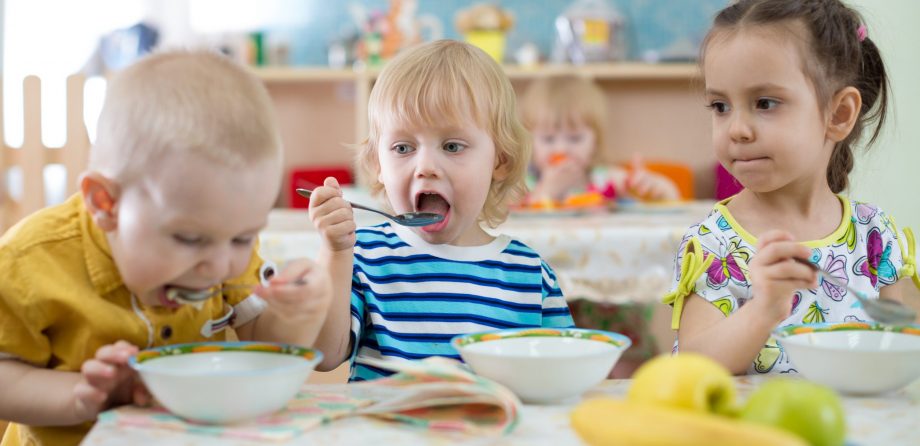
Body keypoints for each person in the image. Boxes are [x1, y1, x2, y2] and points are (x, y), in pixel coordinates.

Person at [0, 50, 332, 445]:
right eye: (190, 239)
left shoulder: (220, 241)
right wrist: (82, 396)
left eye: (244, 237)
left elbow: (269, 348)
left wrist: (299, 316)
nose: (222, 266)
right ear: (106, 204)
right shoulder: (30, 262)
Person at [664, 0, 920, 375]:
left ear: (839, 114)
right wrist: (765, 309)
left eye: (764, 103)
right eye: (720, 106)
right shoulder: (714, 244)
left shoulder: (873, 236)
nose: (737, 129)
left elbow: (900, 340)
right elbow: (693, 365)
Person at [308, 40, 575, 381]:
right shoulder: (363, 256)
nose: (425, 167)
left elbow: (560, 377)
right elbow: (324, 356)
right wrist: (335, 252)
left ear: (500, 161)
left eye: (452, 146)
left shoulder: (529, 275)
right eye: (403, 147)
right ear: (378, 164)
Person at [520, 75, 681, 204]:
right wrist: (547, 191)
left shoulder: (604, 178)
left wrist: (654, 188)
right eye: (548, 139)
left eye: (575, 138)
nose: (561, 149)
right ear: (530, 142)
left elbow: (667, 197)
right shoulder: (524, 185)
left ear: (595, 142)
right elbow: (520, 227)